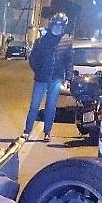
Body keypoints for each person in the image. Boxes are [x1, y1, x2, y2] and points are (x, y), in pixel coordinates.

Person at [24, 12, 73, 142]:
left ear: (63, 27)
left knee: (51, 106)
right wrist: (38, 71)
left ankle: (47, 132)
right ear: (51, 25)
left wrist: (68, 78)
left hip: (56, 79)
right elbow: (33, 58)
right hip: (41, 78)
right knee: (34, 105)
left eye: (60, 26)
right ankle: (27, 131)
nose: (57, 28)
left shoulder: (67, 41)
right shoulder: (41, 40)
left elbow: (68, 61)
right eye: (55, 25)